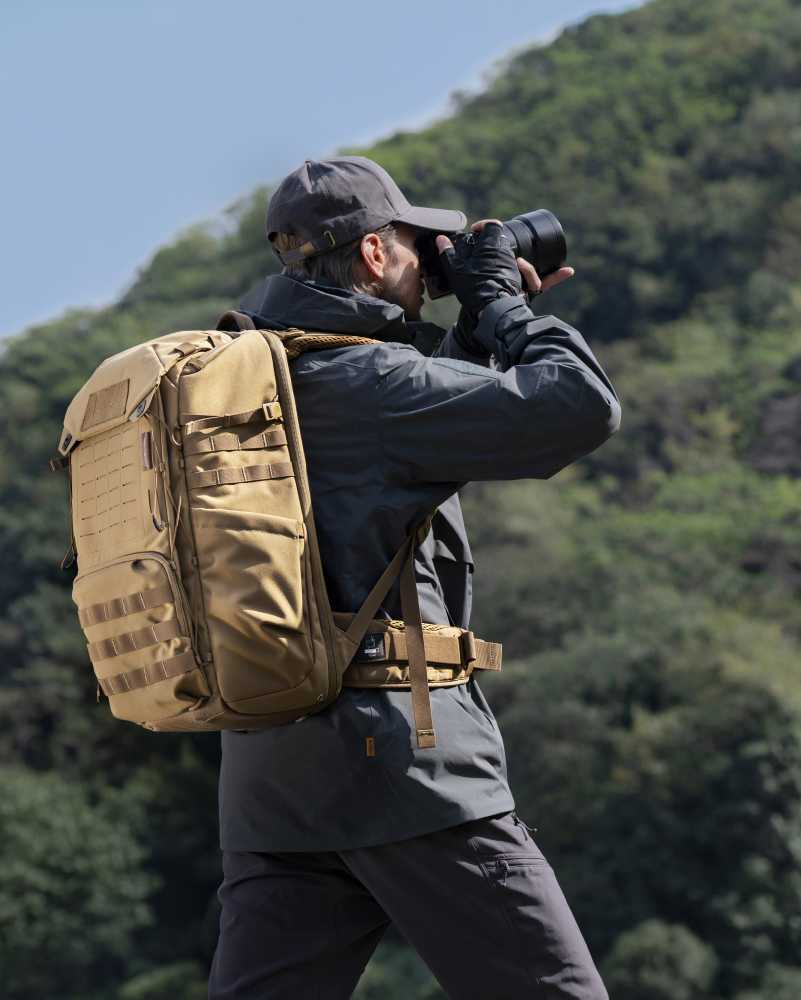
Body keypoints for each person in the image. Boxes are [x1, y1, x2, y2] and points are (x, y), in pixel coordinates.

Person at [208, 156, 620, 1000]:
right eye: (412, 243)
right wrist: (502, 308)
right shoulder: (372, 384)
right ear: (372, 254)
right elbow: (580, 406)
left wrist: (467, 332)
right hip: (402, 767)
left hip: (271, 782)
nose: (427, 261)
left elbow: (394, 454)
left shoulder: (252, 381)